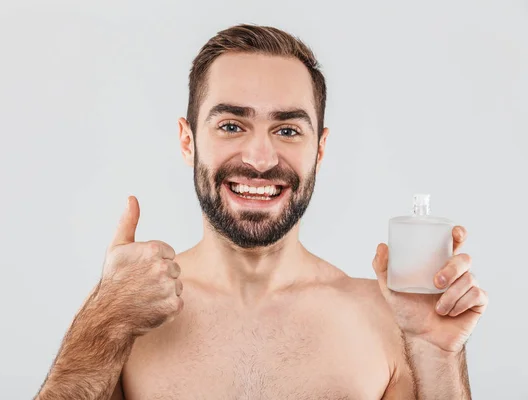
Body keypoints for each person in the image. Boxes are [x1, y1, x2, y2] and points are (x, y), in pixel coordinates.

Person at [36, 24, 488, 400]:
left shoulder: (385, 318)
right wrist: (105, 321)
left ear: (321, 148)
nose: (259, 157)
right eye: (231, 125)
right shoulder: (126, 314)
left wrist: (437, 353)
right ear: (187, 140)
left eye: (288, 129)